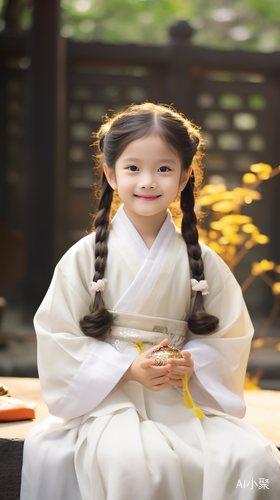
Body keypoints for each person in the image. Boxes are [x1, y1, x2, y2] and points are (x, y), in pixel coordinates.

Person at [20, 103, 280, 500]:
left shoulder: (203, 261)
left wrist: (191, 362)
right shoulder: (83, 257)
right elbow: (57, 334)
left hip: (181, 398)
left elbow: (229, 335)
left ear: (184, 176)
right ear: (110, 172)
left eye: (164, 168)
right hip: (108, 401)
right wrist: (125, 367)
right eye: (132, 168)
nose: (148, 181)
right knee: (135, 463)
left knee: (254, 462)